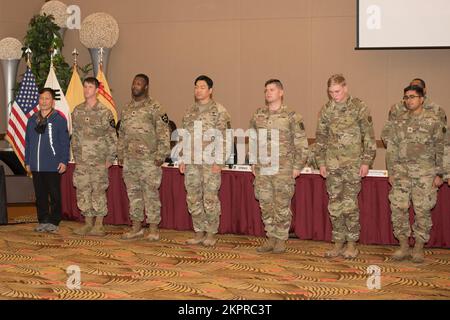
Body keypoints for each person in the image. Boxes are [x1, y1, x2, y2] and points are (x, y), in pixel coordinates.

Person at [315, 74, 376, 259]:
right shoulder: (326, 110)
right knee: (334, 205)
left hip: (352, 165)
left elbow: (369, 137)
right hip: (332, 166)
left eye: (338, 91)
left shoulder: (359, 107)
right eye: (331, 92)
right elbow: (321, 139)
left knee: (349, 205)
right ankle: (338, 243)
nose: (335, 95)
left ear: (345, 87)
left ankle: (351, 244)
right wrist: (321, 162)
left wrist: (366, 161)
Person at [385, 85, 447, 263]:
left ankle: (419, 247)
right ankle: (403, 246)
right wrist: (391, 170)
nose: (409, 100)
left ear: (422, 99)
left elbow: (442, 149)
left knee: (422, 211)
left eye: (412, 97)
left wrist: (441, 174)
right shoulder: (399, 121)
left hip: (425, 174)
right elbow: (392, 148)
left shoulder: (434, 121)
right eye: (406, 97)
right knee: (398, 208)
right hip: (402, 173)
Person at [249, 79, 309, 253]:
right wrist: (253, 160)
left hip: (283, 168)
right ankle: (270, 237)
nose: (268, 93)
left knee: (281, 204)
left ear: (281, 92)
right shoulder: (258, 115)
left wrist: (297, 166)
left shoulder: (291, 116)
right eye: (266, 90)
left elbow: (301, 143)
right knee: (265, 203)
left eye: (272, 89)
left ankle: (281, 238)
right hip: (263, 168)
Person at [179, 75, 231, 247]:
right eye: (196, 87)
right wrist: (182, 158)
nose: (198, 90)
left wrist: (219, 161)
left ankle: (210, 233)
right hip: (192, 161)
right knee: (193, 197)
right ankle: (198, 232)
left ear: (210, 90)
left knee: (210, 198)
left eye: (202, 87)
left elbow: (225, 138)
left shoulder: (220, 111)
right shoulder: (189, 111)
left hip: (210, 162)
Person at [118, 74, 170, 241]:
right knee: (133, 194)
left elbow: (163, 132)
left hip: (149, 159)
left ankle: (153, 228)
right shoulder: (126, 108)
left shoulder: (155, 107)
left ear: (146, 87)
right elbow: (122, 133)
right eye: (134, 83)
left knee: (150, 194)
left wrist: (161, 154)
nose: (135, 86)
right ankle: (136, 227)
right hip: (130, 159)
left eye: (139, 83)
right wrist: (120, 154)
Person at [71, 77, 117, 236]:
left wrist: (110, 158)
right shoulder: (77, 111)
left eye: (90, 87)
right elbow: (75, 135)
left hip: (99, 159)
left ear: (97, 90)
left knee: (98, 190)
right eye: (85, 87)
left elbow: (112, 136)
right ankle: (87, 223)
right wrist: (76, 155)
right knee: (82, 190)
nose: (86, 90)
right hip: (82, 160)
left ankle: (99, 224)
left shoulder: (105, 112)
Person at [25, 88, 70, 233]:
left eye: (47, 98)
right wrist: (27, 161)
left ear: (53, 102)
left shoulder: (58, 119)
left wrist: (64, 160)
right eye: (41, 98)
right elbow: (28, 143)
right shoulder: (32, 120)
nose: (43, 101)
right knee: (40, 195)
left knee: (55, 195)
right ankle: (43, 220)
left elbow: (64, 142)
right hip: (36, 165)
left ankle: (54, 221)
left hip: (53, 165)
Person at [381, 78, 447, 146]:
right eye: (412, 87)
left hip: (427, 154)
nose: (414, 89)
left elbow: (443, 138)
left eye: (417, 87)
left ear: (424, 90)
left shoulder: (436, 110)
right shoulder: (397, 108)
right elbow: (387, 133)